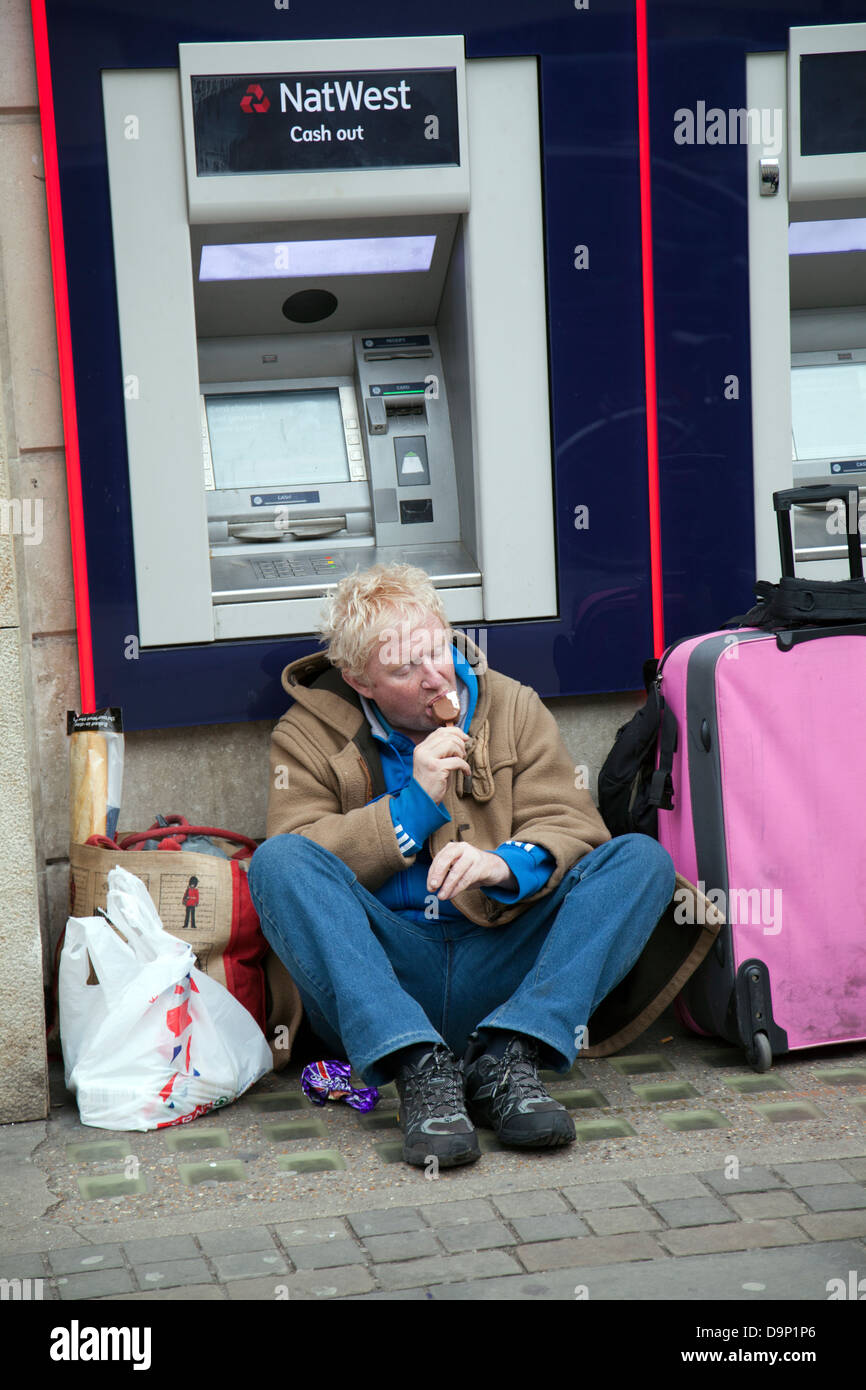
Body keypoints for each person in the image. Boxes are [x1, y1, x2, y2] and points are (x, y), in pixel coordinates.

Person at [248, 563, 675, 1169]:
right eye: (403, 669)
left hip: (502, 959)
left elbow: (575, 825)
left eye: (437, 652)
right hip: (384, 976)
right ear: (358, 680)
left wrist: (502, 865)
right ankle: (416, 1067)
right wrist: (411, 808)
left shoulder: (511, 705)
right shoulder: (308, 735)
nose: (433, 679)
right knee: (278, 861)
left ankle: (511, 1056)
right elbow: (301, 853)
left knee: (641, 861)